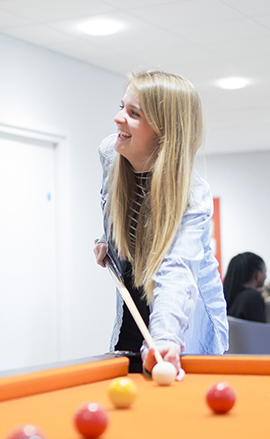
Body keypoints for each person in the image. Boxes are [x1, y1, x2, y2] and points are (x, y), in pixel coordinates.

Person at [94, 70, 228, 379]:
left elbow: (177, 270)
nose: (117, 118)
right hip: (133, 292)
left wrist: (166, 339)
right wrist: (106, 238)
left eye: (133, 113)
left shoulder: (192, 196)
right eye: (121, 106)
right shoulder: (110, 153)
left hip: (182, 312)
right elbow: (116, 206)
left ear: (163, 130)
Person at [223, 252, 267, 323]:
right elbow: (261, 332)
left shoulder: (226, 296)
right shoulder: (252, 297)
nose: (265, 276)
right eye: (265, 272)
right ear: (258, 275)